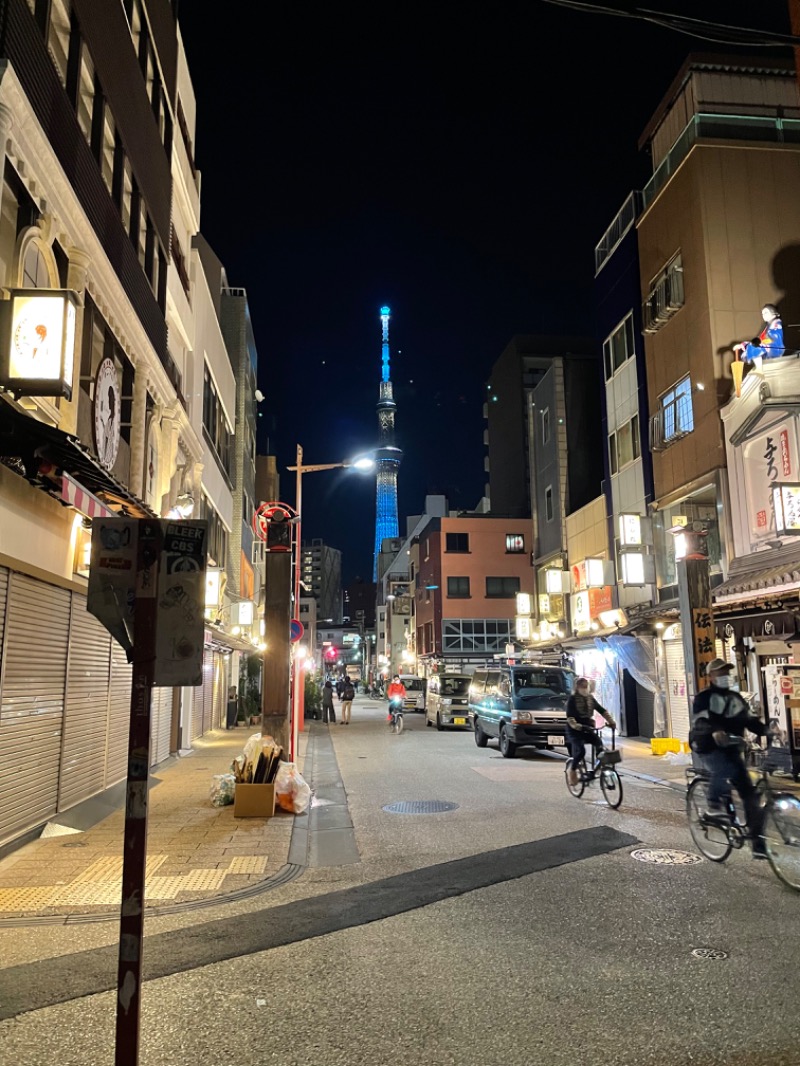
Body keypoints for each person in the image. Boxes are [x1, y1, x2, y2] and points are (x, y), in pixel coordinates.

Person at [690, 658, 767, 859]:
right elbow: (701, 720)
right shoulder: (703, 698)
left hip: (732, 748)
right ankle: (713, 806)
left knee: (750, 795)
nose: (725, 676)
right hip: (708, 747)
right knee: (723, 770)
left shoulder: (735, 698)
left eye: (727, 672)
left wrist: (770, 731)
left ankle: (757, 843)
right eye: (720, 673)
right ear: (710, 676)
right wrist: (715, 730)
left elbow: (750, 721)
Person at [565, 677, 616, 787]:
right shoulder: (572, 699)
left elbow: (602, 710)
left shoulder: (590, 698)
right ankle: (572, 770)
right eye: (581, 686)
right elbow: (570, 718)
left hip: (588, 728)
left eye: (585, 686)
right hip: (574, 730)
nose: (584, 688)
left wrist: (611, 722)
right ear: (577, 687)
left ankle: (596, 770)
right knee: (581, 751)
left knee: (599, 745)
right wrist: (579, 726)